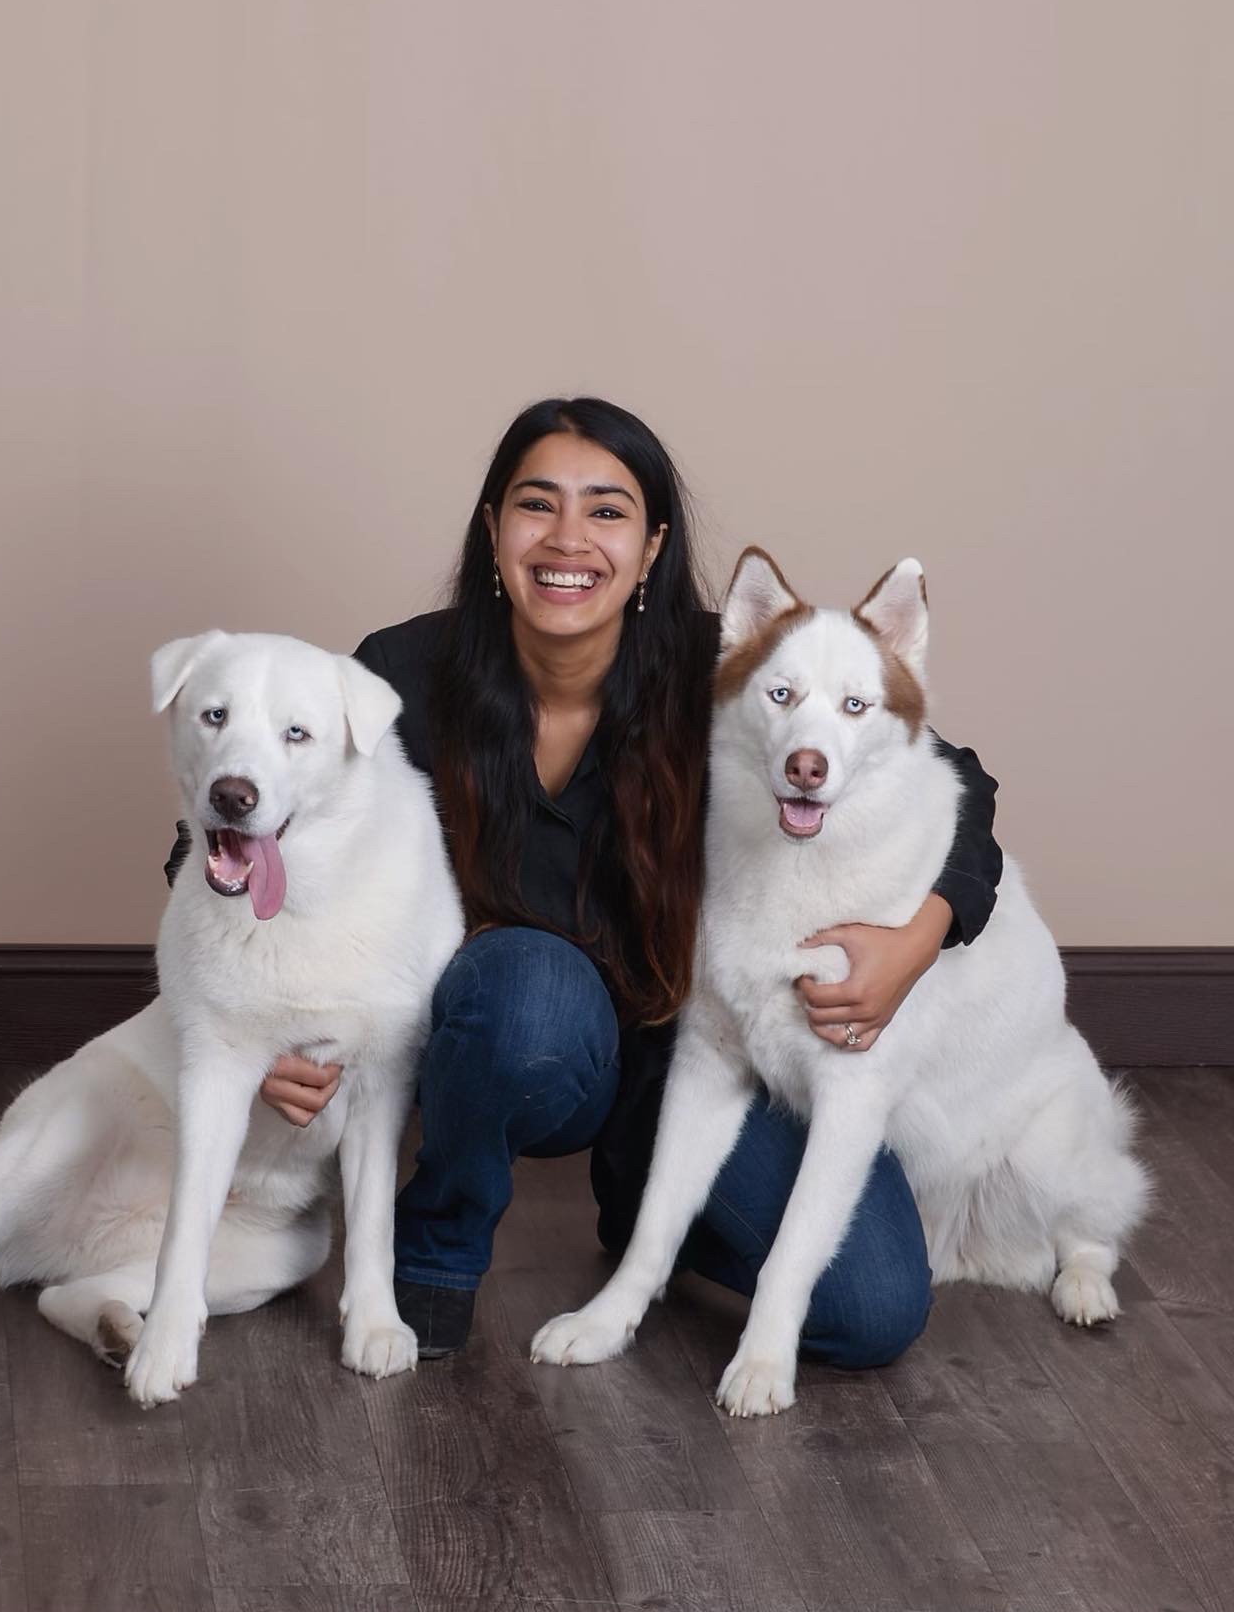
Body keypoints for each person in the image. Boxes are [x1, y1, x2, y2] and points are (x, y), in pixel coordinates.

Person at [170, 398, 1002, 1362]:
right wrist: (269, 1031)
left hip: (690, 1052)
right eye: (538, 505)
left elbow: (955, 781)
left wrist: (918, 938)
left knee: (872, 1310)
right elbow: (223, 840)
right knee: (528, 989)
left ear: (652, 549)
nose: (569, 538)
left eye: (607, 511)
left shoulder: (735, 668)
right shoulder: (403, 671)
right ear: (494, 529)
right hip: (489, 1029)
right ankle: (435, 1247)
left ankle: (654, 1211)